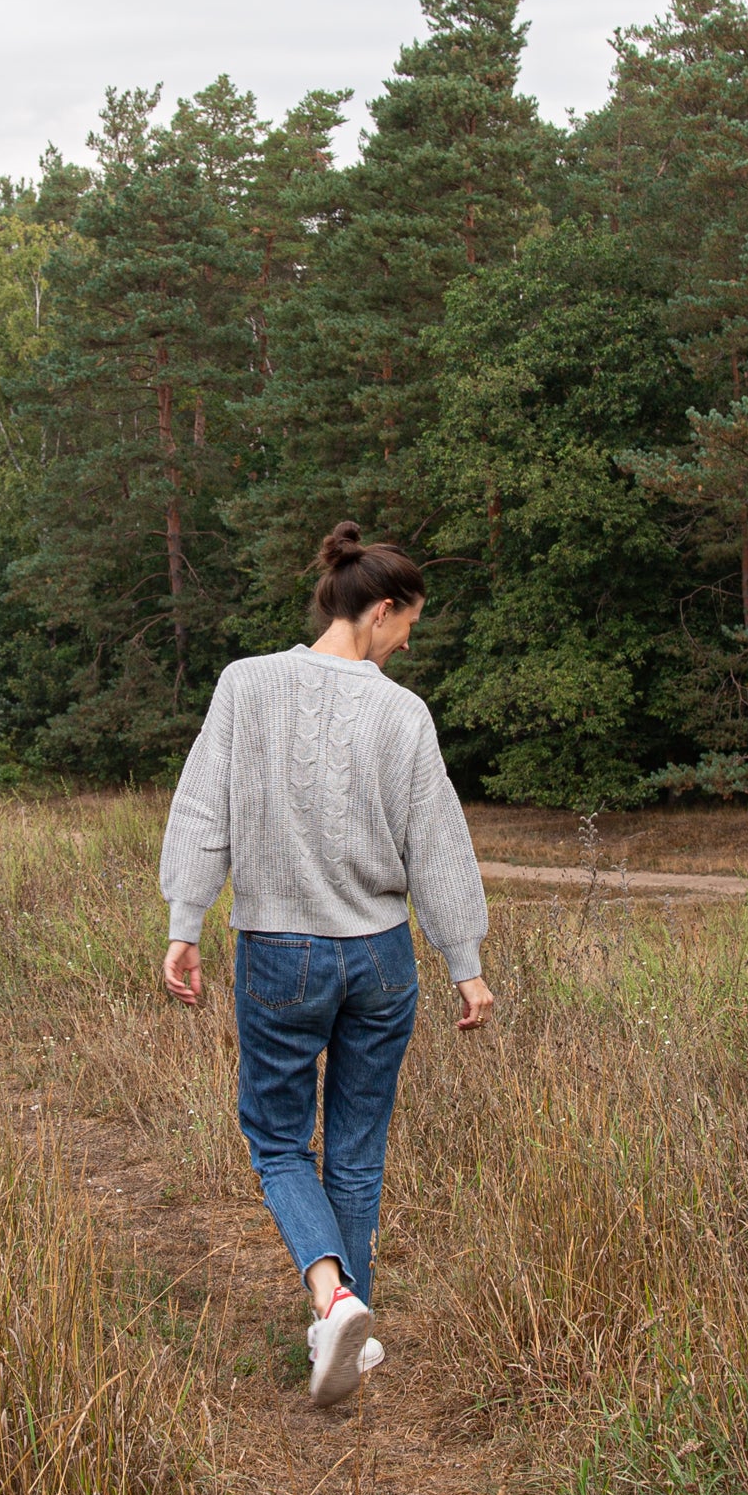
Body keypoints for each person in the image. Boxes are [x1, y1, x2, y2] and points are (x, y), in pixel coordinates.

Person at [159, 523, 493, 1408]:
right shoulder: (401, 712)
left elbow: (202, 808)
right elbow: (441, 848)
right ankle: (350, 1325)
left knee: (276, 1139)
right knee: (356, 1148)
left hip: (282, 952)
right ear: (380, 610)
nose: (408, 642)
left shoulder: (247, 684)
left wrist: (184, 921)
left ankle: (332, 1296)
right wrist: (467, 963)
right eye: (409, 624)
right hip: (382, 960)